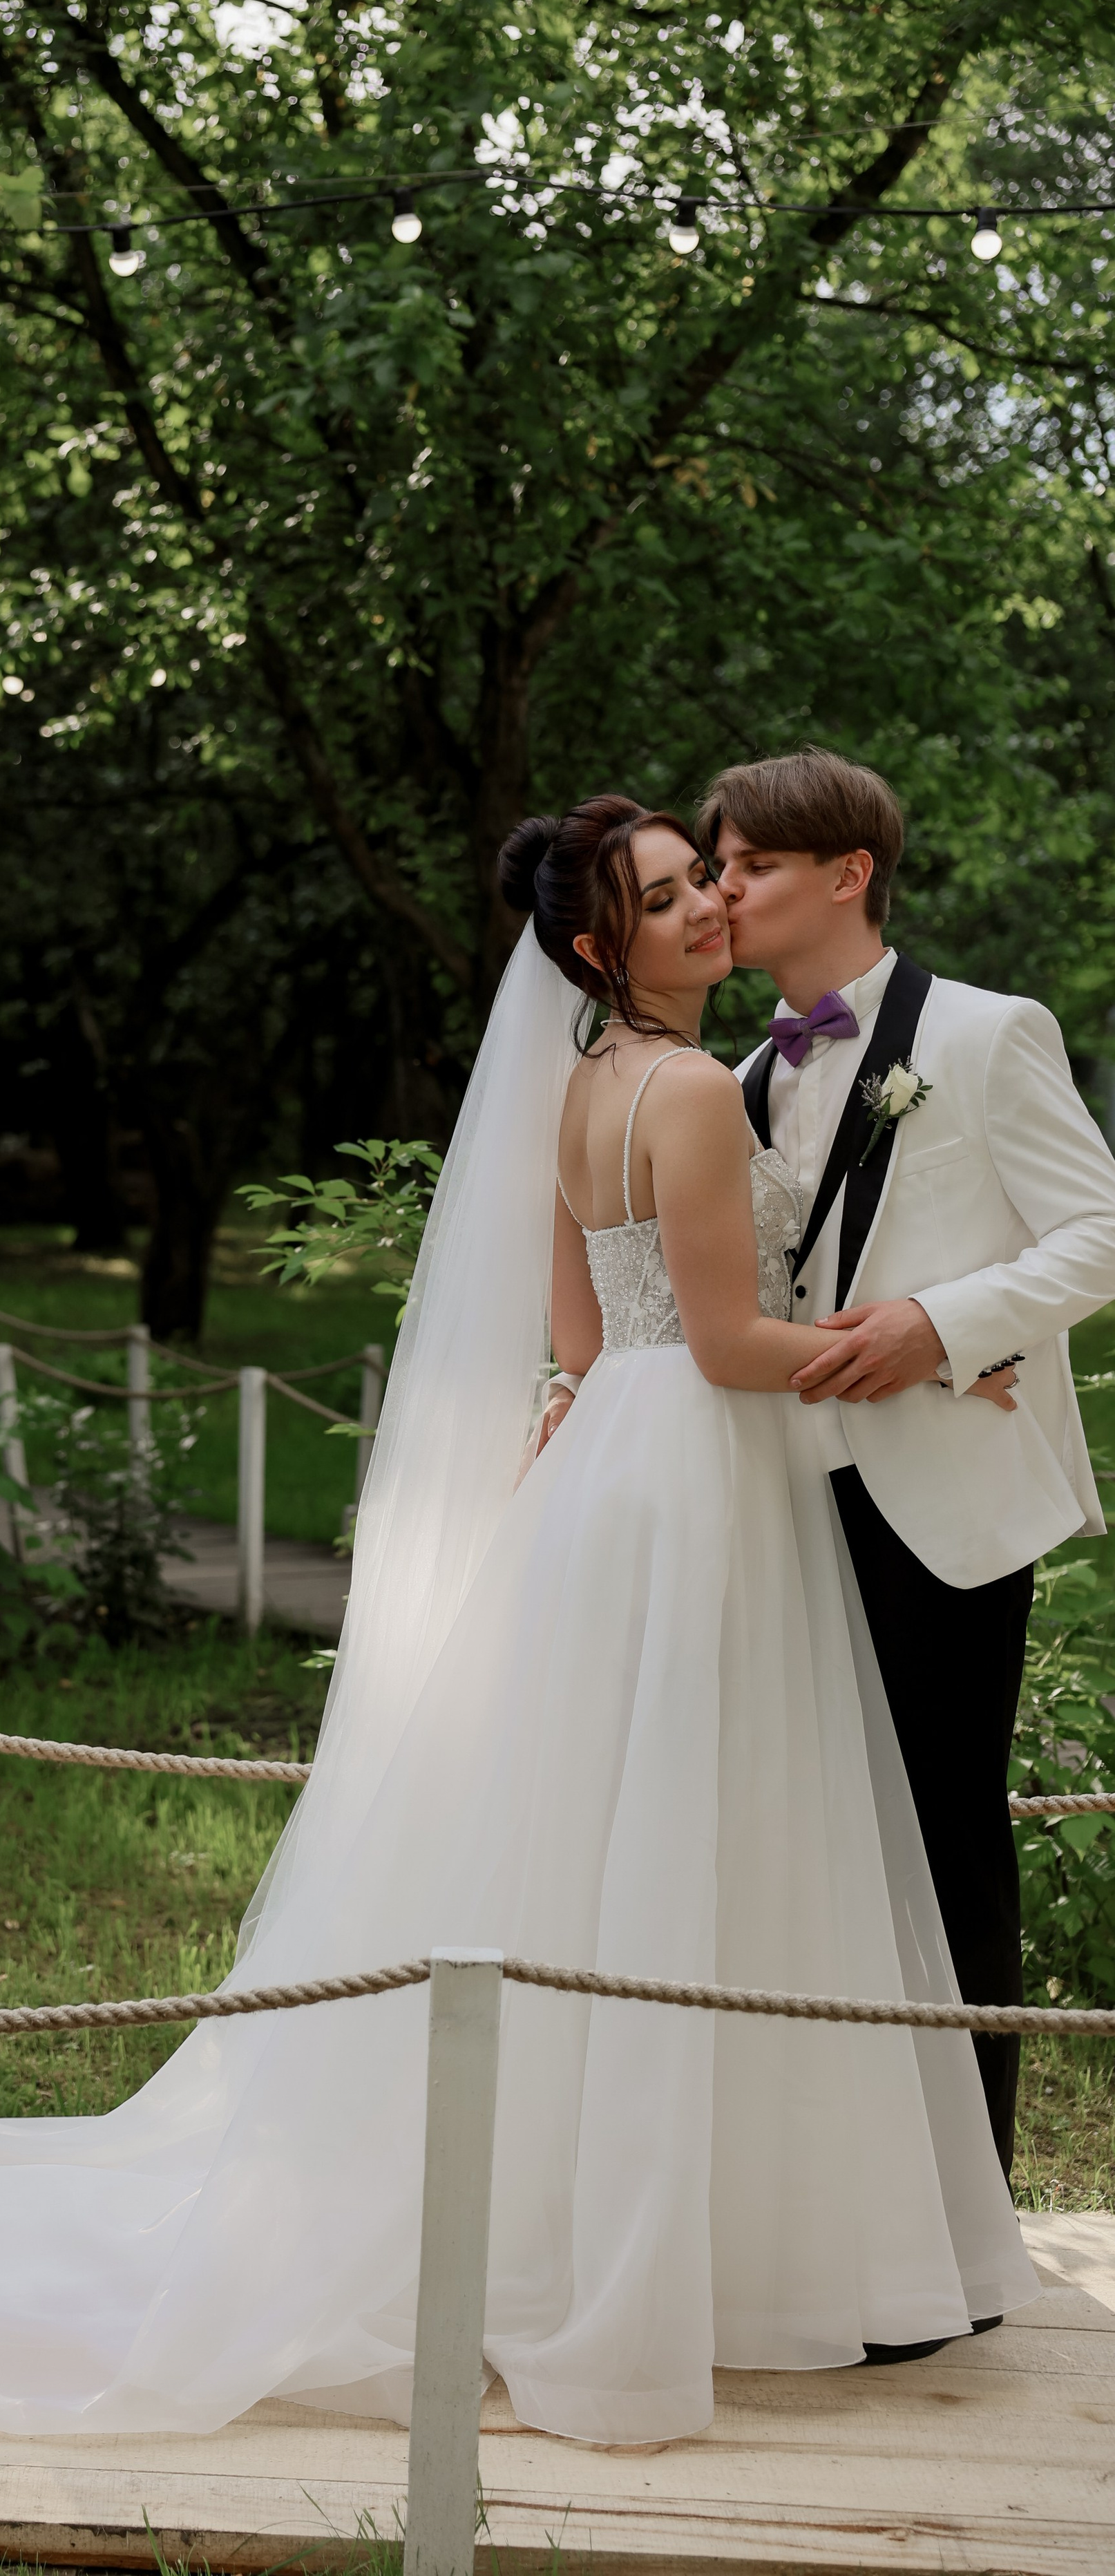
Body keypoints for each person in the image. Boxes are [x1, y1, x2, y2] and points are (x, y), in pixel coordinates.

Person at [0, 798, 1034, 2450]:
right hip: (694, 1472)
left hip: (609, 1469)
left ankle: (622, 2220)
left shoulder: (570, 1090)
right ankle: (683, 2246)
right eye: (670, 895)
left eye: (703, 883)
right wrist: (915, 1351)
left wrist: (624, 1406)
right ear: (600, 946)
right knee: (690, 1835)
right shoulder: (682, 1089)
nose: (705, 911)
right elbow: (728, 1344)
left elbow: (580, 1343)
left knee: (594, 1842)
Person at [694, 748, 1115, 2179]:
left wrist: (945, 1326)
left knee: (945, 1847)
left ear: (848, 874)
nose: (723, 891)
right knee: (799, 1849)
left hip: (940, 1505)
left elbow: (1095, 1234)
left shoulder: (989, 1034)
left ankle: (967, 2204)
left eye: (751, 865)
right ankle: (831, 2191)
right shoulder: (738, 1078)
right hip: (774, 1501)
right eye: (716, 866)